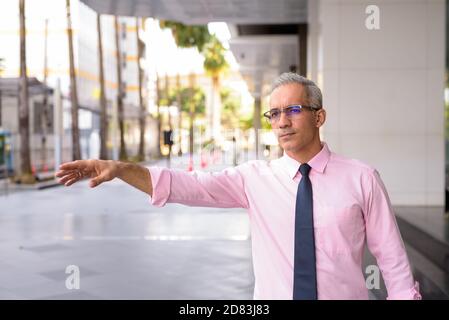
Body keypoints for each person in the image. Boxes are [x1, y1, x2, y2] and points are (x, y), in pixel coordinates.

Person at [56, 72, 421, 300]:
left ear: (318, 116)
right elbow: (187, 185)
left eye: (293, 110)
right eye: (274, 113)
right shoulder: (253, 179)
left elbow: (392, 260)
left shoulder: (361, 178)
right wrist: (121, 169)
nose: (281, 121)